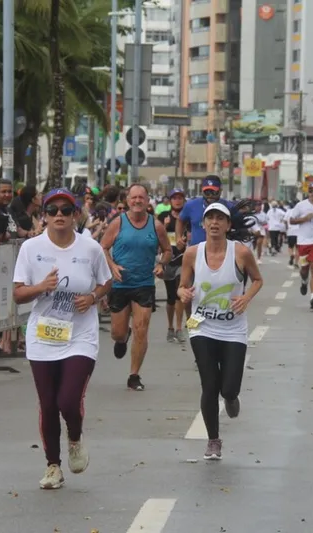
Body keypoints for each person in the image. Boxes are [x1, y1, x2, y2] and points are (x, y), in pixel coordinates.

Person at [12, 188, 112, 489]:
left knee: (68, 400)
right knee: (48, 403)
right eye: (52, 210)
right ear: (43, 215)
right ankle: (53, 465)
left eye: (65, 211)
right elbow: (17, 294)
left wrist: (93, 297)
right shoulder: (30, 248)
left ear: (75, 215)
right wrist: (41, 286)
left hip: (80, 335)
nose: (58, 215)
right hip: (43, 335)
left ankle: (76, 436)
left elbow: (105, 281)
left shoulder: (90, 248)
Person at [178, 202, 263, 460]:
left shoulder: (241, 253)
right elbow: (182, 286)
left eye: (220, 219)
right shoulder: (192, 253)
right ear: (203, 225)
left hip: (233, 330)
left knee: (228, 389)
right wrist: (183, 292)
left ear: (228, 225)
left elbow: (258, 279)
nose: (214, 223)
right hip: (201, 327)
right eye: (210, 218)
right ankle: (213, 440)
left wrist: (246, 297)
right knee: (209, 384)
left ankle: (231, 397)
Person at [100, 184, 172, 391]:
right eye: (134, 198)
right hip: (121, 284)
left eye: (142, 197)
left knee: (142, 329)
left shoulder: (156, 225)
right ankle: (123, 339)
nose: (138, 201)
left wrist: (161, 264)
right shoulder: (118, 223)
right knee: (117, 333)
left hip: (144, 284)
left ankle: (134, 375)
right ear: (127, 201)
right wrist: (112, 266)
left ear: (148, 200)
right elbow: (102, 247)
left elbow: (167, 250)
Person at [289, 182, 313, 310]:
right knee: (304, 269)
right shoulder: (300, 205)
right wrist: (305, 219)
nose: (312, 194)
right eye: (310, 191)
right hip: (303, 242)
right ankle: (304, 281)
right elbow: (291, 220)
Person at [156, 188, 188, 343]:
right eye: (174, 198)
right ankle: (170, 327)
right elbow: (156, 236)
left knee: (180, 294)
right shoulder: (163, 216)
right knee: (170, 297)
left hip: (183, 259)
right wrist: (163, 224)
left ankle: (180, 328)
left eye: (180, 198)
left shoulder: (186, 217)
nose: (177, 200)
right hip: (169, 259)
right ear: (170, 200)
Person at [176, 175, 232, 246]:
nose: (210, 195)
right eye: (207, 192)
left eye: (214, 192)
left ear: (220, 190)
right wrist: (178, 237)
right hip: (195, 251)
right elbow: (180, 220)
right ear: (202, 190)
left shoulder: (229, 206)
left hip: (221, 251)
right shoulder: (191, 205)